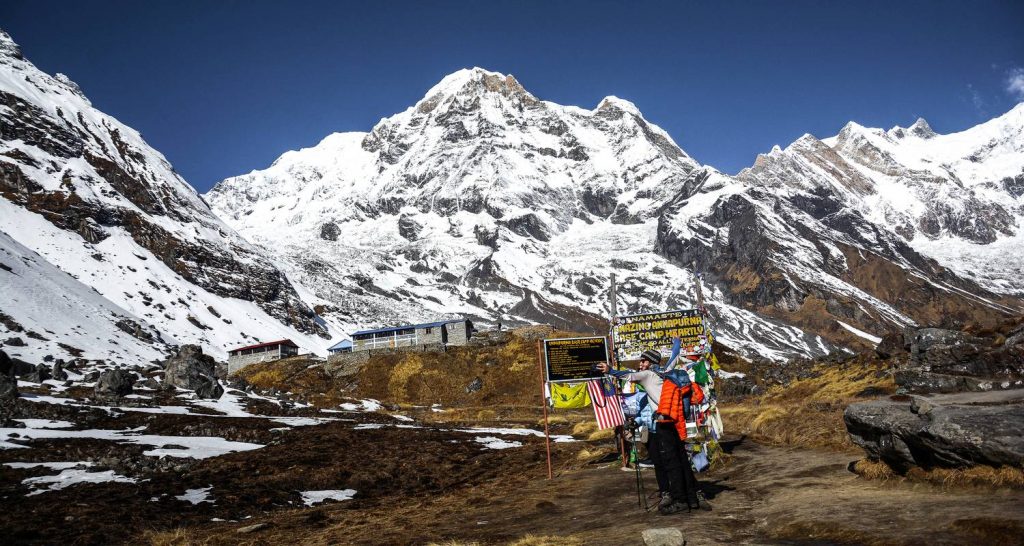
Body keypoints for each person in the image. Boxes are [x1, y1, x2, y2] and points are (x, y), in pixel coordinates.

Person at [599, 344, 711, 515]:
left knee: (671, 463)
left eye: (643, 361)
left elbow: (628, 376)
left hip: (663, 422)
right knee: (682, 460)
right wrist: (676, 343)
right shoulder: (666, 371)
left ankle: (680, 500)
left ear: (650, 362)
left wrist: (610, 370)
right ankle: (694, 497)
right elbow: (674, 357)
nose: (640, 364)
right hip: (676, 420)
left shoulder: (648, 375)